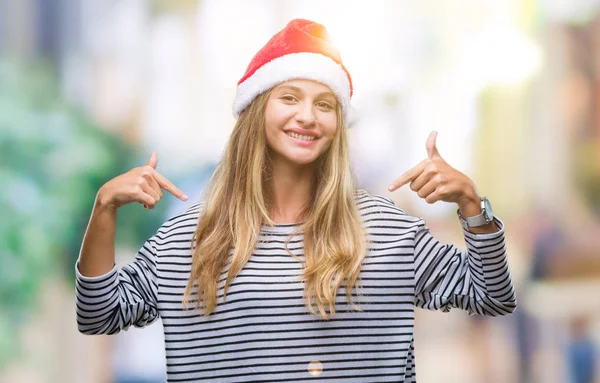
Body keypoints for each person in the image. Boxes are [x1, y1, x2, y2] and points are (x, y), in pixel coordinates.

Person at [75, 18, 516, 382]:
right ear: (257, 110)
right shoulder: (191, 235)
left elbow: (491, 296)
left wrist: (473, 207)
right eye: (289, 98)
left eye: (324, 104)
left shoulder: (386, 230)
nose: (307, 115)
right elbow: (98, 314)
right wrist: (104, 209)